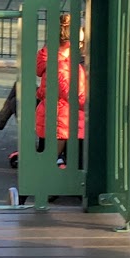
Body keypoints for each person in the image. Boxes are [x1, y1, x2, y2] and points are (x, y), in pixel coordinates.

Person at [36, 13, 87, 168]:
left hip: (59, 117)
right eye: (80, 42)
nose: (81, 45)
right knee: (53, 163)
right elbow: (74, 95)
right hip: (64, 121)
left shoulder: (54, 60)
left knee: (49, 158)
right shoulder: (63, 66)